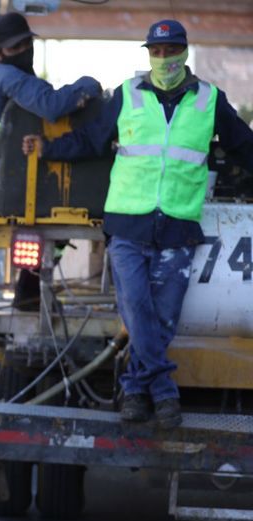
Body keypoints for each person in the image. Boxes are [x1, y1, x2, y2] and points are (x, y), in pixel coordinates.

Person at [22, 20, 253, 429]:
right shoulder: (128, 95)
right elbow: (91, 140)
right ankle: (163, 392)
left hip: (178, 228)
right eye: (156, 51)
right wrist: (48, 148)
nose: (164, 58)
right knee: (139, 310)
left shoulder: (209, 100)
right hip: (127, 227)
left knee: (161, 320)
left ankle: (134, 389)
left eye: (171, 51)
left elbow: (244, 146)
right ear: (148, 54)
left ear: (184, 51)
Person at [0, 11, 102, 176]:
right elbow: (51, 105)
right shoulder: (6, 76)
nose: (24, 50)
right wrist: (89, 85)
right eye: (15, 47)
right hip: (15, 176)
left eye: (27, 42)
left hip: (8, 170)